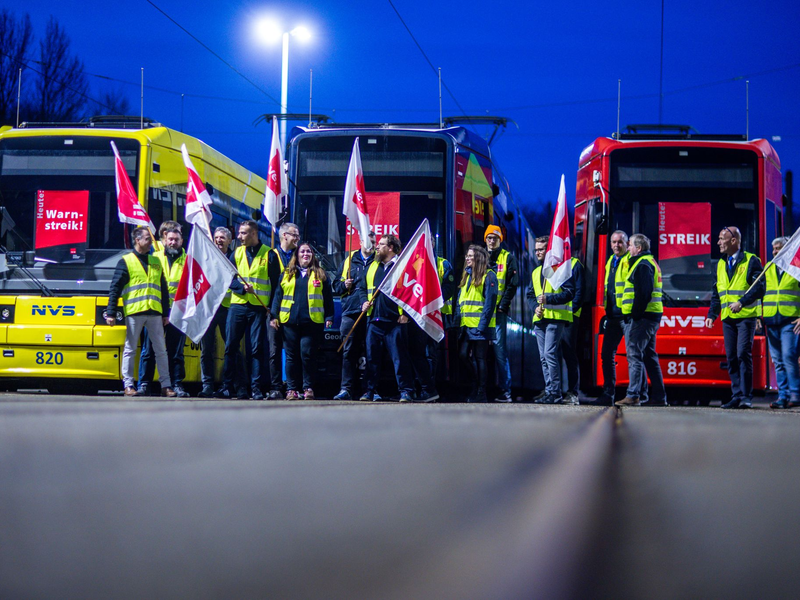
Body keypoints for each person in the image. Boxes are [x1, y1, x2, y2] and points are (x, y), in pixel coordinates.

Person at [358, 234, 433, 402]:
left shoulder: (403, 266)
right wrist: (364, 302)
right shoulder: (372, 266)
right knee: (371, 359)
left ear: (390, 248)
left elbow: (414, 292)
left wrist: (406, 314)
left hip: (395, 322)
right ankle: (368, 391)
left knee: (400, 359)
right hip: (374, 320)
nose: (377, 247)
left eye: (381, 244)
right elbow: (363, 287)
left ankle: (406, 391)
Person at [106, 226, 175, 398]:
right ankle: (128, 385)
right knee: (130, 349)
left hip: (155, 312)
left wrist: (166, 313)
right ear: (137, 240)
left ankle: (166, 386)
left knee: (161, 350)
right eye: (147, 238)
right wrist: (111, 312)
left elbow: (163, 290)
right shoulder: (126, 261)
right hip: (135, 312)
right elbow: (115, 288)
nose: (151, 241)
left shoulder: (156, 261)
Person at [705, 226, 765, 409]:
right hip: (728, 317)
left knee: (742, 354)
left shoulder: (751, 260)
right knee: (731, 356)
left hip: (746, 316)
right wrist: (712, 314)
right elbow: (717, 292)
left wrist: (742, 302)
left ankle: (746, 396)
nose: (718, 242)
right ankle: (737, 395)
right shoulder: (720, 264)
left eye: (722, 239)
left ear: (734, 241)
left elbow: (760, 287)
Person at [270, 243, 334, 399]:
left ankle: (308, 388)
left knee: (308, 355)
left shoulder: (321, 274)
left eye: (309, 251)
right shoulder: (286, 274)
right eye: (302, 251)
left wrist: (329, 317)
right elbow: (278, 296)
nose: (306, 254)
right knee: (291, 357)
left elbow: (327, 298)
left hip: (312, 322)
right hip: (289, 322)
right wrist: (274, 316)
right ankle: (291, 389)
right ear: (297, 255)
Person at [218, 220, 271, 400]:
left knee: (256, 348)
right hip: (237, 305)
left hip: (258, 308)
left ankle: (256, 388)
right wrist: (241, 288)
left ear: (254, 234)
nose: (239, 237)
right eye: (240, 233)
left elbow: (277, 283)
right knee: (230, 346)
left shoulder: (268, 254)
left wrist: (272, 309)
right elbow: (229, 277)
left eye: (243, 233)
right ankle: (227, 386)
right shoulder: (237, 253)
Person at [137, 221, 189, 397]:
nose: (173, 243)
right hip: (156, 312)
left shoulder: (188, 261)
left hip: (178, 312)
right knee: (149, 351)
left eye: (176, 239)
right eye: (170, 239)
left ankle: (176, 385)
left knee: (175, 352)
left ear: (182, 241)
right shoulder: (155, 258)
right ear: (165, 240)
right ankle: (144, 384)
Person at [616, 234, 666, 407]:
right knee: (649, 356)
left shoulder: (642, 264)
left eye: (630, 245)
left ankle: (633, 395)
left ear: (638, 248)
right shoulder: (648, 262)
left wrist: (635, 315)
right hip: (650, 316)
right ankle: (658, 397)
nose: (628, 248)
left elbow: (643, 294)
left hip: (643, 317)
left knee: (634, 355)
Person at [198, 227, 247, 398]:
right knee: (207, 350)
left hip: (227, 308)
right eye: (216, 237)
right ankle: (207, 386)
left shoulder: (235, 258)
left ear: (229, 240)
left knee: (232, 349)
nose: (218, 240)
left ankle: (240, 386)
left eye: (222, 238)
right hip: (209, 309)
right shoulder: (206, 258)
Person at [527, 236, 575, 404]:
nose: (538, 252)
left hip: (556, 317)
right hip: (540, 319)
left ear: (549, 250)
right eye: (537, 249)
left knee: (549, 354)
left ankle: (554, 392)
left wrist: (548, 299)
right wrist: (535, 307)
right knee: (544, 357)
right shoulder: (535, 272)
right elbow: (530, 295)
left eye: (541, 249)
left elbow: (570, 293)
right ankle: (550, 391)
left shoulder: (561, 270)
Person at [332, 231, 376, 400]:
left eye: (373, 241)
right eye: (368, 241)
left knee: (372, 352)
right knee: (348, 351)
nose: (370, 244)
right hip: (350, 312)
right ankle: (346, 389)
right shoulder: (349, 260)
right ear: (361, 241)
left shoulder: (377, 261)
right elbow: (336, 285)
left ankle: (370, 390)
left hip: (371, 312)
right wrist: (344, 284)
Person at [592, 230, 631, 406]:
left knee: (634, 355)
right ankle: (608, 394)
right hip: (613, 316)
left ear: (626, 243)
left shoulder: (630, 260)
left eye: (620, 242)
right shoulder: (611, 261)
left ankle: (638, 394)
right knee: (607, 354)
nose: (617, 245)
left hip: (627, 316)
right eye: (614, 242)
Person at [456, 245, 498, 403]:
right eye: (467, 256)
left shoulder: (489, 276)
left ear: (479, 258)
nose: (467, 258)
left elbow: (489, 304)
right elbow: (461, 301)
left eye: (470, 256)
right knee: (463, 355)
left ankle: (481, 391)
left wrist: (482, 327)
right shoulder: (467, 275)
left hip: (480, 326)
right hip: (466, 326)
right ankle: (476, 384)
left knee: (480, 358)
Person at [763, 236, 800, 408]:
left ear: (788, 250)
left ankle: (795, 394)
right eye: (774, 249)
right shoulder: (768, 268)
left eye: (778, 248)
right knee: (777, 361)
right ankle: (782, 397)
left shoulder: (796, 268)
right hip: (771, 320)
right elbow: (760, 292)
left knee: (788, 356)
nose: (775, 252)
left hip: (790, 320)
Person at [266, 222, 300, 399]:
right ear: (284, 235)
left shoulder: (300, 255)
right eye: (295, 235)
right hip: (274, 312)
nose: (297, 238)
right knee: (274, 350)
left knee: (293, 352)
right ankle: (275, 387)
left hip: (294, 313)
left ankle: (293, 387)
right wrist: (271, 312)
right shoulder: (272, 256)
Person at [485, 225, 519, 403]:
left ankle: (505, 391)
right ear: (485, 239)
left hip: (498, 313)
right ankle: (481, 390)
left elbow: (513, 284)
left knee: (500, 353)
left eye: (495, 238)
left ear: (500, 240)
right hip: (480, 314)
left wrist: (502, 306)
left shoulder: (508, 257)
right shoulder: (480, 256)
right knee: (479, 353)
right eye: (489, 237)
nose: (492, 241)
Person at [560, 255, 585, 404]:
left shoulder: (575, 264)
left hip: (570, 317)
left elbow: (580, 292)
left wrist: (570, 312)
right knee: (552, 355)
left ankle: (573, 392)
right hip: (554, 316)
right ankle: (553, 390)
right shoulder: (551, 262)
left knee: (569, 354)